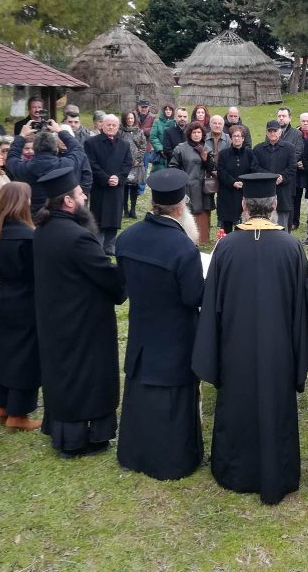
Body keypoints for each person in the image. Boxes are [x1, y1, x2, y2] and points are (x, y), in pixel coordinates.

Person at [191, 173, 308, 504]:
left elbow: (212, 305)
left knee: (238, 404)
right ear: (274, 206)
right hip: (279, 351)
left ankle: (235, 469)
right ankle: (278, 470)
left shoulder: (226, 247)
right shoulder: (292, 247)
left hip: (236, 348)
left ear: (244, 205)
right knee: (276, 407)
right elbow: (301, 310)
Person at [115, 170, 205, 479]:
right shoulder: (183, 248)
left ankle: (135, 453)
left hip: (142, 333)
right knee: (172, 403)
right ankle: (172, 461)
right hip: (176, 338)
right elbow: (193, 296)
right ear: (180, 208)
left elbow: (123, 283)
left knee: (140, 396)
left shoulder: (126, 238)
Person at [34, 165, 126, 457]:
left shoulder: (43, 230)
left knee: (62, 376)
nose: (85, 197)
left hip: (54, 318)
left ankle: (64, 432)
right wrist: (125, 270)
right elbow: (108, 278)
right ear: (68, 201)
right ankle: (86, 438)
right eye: (79, 194)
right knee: (88, 377)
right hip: (84, 321)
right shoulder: (77, 237)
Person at [0, 182, 41, 430]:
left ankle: (2, 404)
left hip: (2, 293)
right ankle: (18, 414)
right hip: (26, 296)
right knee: (25, 354)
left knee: (3, 350)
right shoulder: (28, 237)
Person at [5, 120, 83, 213]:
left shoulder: (24, 168)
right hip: (61, 212)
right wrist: (60, 131)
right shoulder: (65, 164)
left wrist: (21, 136)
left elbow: (11, 158)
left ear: (34, 149)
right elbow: (77, 148)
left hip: (33, 214)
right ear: (56, 149)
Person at [84, 114, 133, 255]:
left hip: (117, 188)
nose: (111, 127)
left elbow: (127, 163)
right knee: (98, 217)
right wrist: (106, 179)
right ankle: (97, 246)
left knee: (114, 216)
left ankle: (110, 246)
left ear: (118, 127)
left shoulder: (124, 144)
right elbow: (91, 163)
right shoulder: (91, 143)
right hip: (99, 187)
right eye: (108, 125)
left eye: (114, 125)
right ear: (102, 125)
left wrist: (118, 178)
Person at [170, 121, 216, 245]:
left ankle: (202, 239)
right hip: (186, 186)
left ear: (202, 134)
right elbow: (173, 166)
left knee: (202, 212)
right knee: (186, 212)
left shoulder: (207, 148)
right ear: (190, 134)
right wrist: (181, 179)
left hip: (203, 188)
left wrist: (206, 159)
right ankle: (186, 238)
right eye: (194, 132)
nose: (196, 135)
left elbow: (212, 168)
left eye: (199, 132)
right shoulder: (181, 148)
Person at [251, 120, 297, 230]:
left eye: (275, 131)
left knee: (282, 225)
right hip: (264, 191)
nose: (272, 133)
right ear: (266, 132)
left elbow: (292, 167)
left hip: (283, 190)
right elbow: (254, 167)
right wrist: (271, 177)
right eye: (270, 131)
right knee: (264, 221)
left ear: (280, 132)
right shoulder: (258, 149)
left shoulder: (289, 148)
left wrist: (282, 177)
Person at [215, 125, 252, 234]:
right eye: (234, 136)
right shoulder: (223, 154)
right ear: (231, 138)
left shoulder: (250, 153)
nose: (236, 138)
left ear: (243, 138)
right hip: (227, 193)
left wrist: (244, 182)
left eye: (239, 136)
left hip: (244, 192)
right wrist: (233, 182)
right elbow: (221, 171)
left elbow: (253, 169)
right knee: (227, 223)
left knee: (243, 223)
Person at [119, 110, 148, 219]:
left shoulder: (139, 132)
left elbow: (143, 147)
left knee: (135, 186)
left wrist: (138, 159)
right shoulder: (120, 132)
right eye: (128, 118)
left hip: (136, 164)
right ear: (124, 119)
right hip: (124, 164)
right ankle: (125, 210)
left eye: (131, 118)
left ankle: (133, 210)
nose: (130, 120)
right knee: (125, 187)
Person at [149, 104, 176, 169]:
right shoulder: (157, 122)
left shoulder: (176, 123)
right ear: (163, 111)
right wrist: (161, 149)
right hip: (159, 154)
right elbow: (153, 137)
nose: (168, 111)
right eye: (166, 109)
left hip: (172, 154)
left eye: (170, 110)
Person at [134, 98, 156, 169]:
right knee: (133, 166)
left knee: (144, 167)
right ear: (138, 107)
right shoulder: (133, 115)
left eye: (145, 107)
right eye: (142, 107)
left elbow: (154, 130)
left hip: (146, 147)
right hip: (134, 146)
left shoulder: (153, 117)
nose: (144, 109)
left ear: (149, 107)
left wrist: (142, 131)